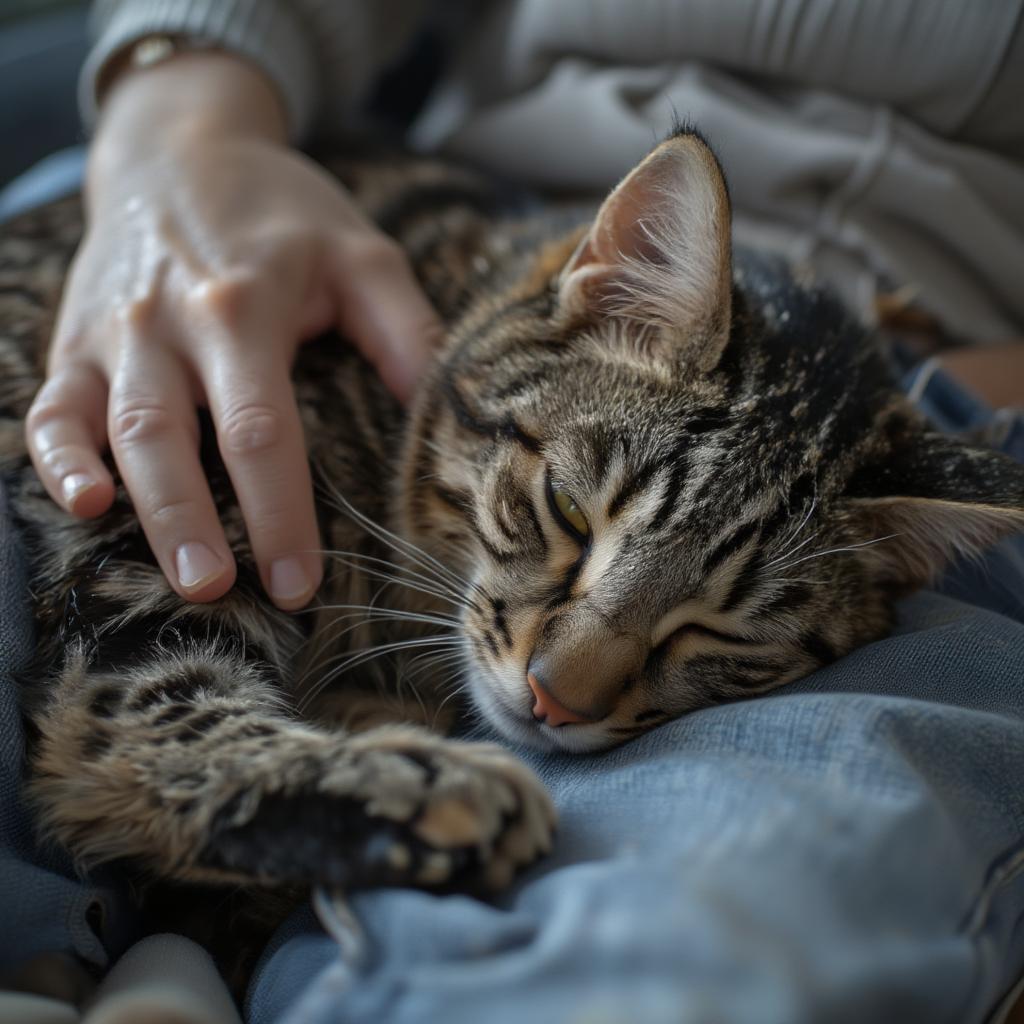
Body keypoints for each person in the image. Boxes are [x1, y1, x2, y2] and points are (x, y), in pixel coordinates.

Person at [3, 3, 1024, 1023]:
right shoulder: (430, 368)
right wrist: (183, 137)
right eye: (569, 521)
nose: (560, 683)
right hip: (272, 193)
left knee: (699, 930)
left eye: (713, 634)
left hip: (950, 408)